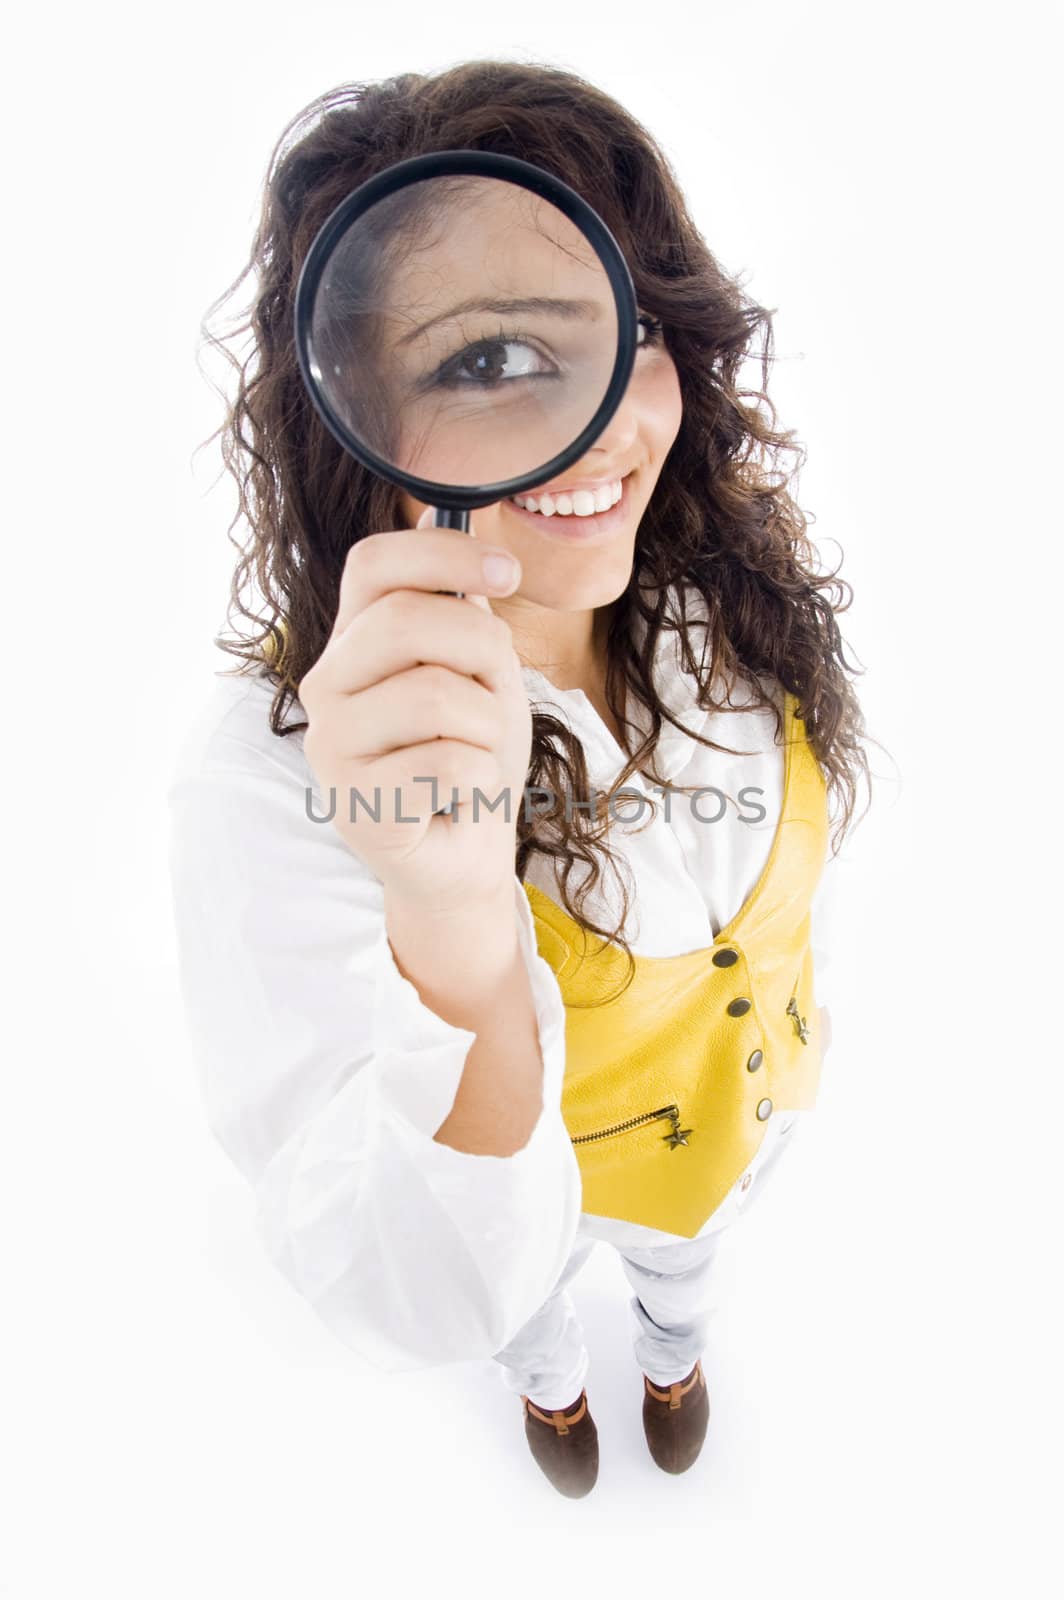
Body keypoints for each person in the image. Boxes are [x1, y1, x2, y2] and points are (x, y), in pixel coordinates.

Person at [167, 60, 872, 1500]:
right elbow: (419, 1286)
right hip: (531, 1231)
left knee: (689, 1259)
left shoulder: (716, 582)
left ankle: (673, 1350)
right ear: (347, 409)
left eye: (639, 333)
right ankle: (561, 1399)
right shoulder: (279, 777)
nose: (611, 423)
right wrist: (445, 910)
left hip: (739, 1128)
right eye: (490, 362)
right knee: (536, 1318)